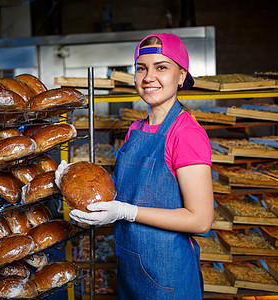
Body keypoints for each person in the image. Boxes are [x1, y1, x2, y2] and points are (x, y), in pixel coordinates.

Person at [58, 33, 214, 299]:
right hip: (131, 270)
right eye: (141, 68)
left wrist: (127, 212)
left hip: (167, 276)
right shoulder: (136, 129)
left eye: (161, 67)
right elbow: (131, 189)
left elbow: (200, 220)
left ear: (181, 76)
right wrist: (76, 181)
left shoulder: (186, 133)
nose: (148, 77)